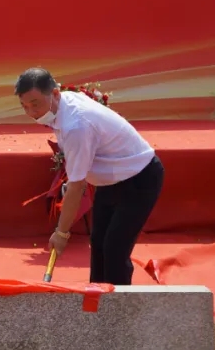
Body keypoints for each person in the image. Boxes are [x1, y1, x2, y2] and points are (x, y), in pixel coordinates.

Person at [15, 68, 164, 285]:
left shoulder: (76, 125)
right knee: (99, 243)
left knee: (115, 248)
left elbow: (77, 186)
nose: (31, 112)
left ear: (54, 93)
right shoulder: (64, 103)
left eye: (35, 104)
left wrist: (62, 233)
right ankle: (97, 300)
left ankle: (118, 304)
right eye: (24, 106)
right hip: (110, 180)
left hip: (139, 177)